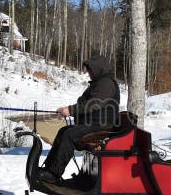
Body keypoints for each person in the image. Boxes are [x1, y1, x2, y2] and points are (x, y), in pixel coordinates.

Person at [35, 55, 120, 185]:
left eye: (90, 70)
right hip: (94, 124)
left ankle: (53, 174)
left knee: (69, 135)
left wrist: (70, 110)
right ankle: (49, 169)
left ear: (98, 69)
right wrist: (69, 111)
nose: (89, 73)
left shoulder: (106, 83)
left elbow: (94, 103)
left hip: (101, 126)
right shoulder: (100, 83)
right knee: (64, 131)